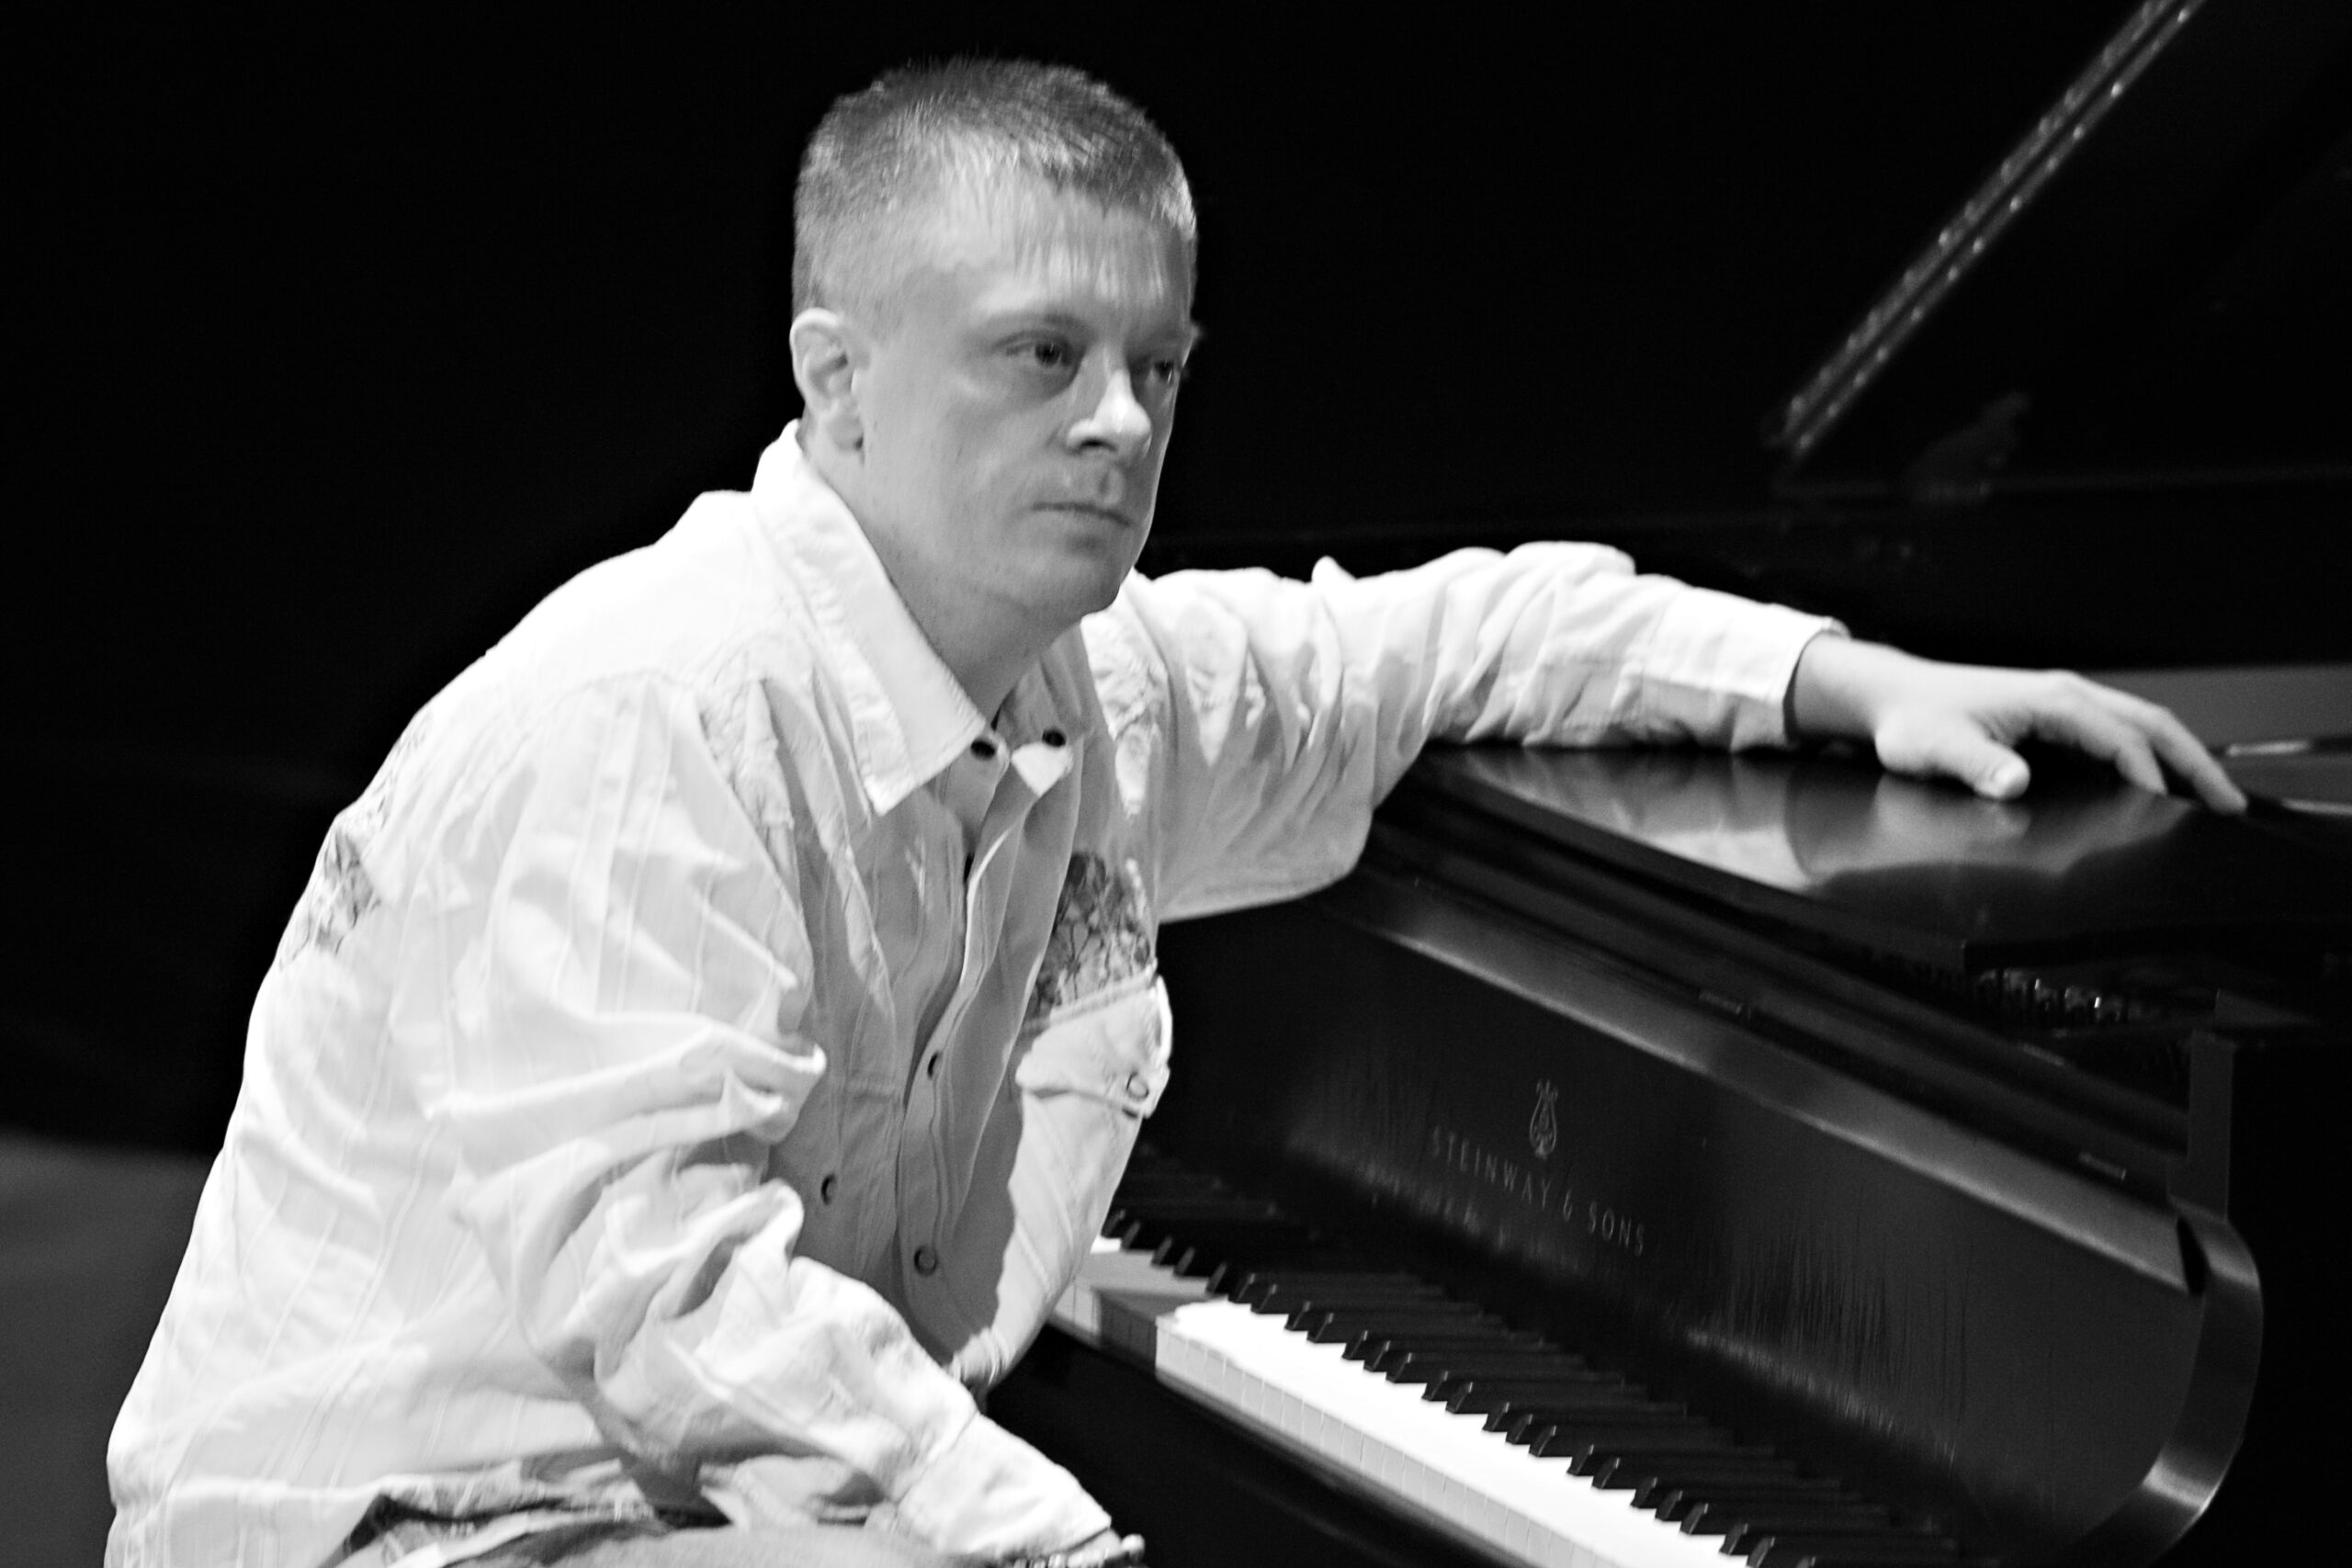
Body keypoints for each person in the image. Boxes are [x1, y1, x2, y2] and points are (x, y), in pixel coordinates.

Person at [105, 58, 2244, 1568]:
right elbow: (668, 1299)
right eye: (1037, 356)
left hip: (722, 1509)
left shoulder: (1090, 678)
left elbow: (1450, 633)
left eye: (1158, 363)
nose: (1118, 423)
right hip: (428, 1524)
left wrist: (1835, 675)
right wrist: (1052, 1542)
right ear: (836, 379)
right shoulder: (652, 720)